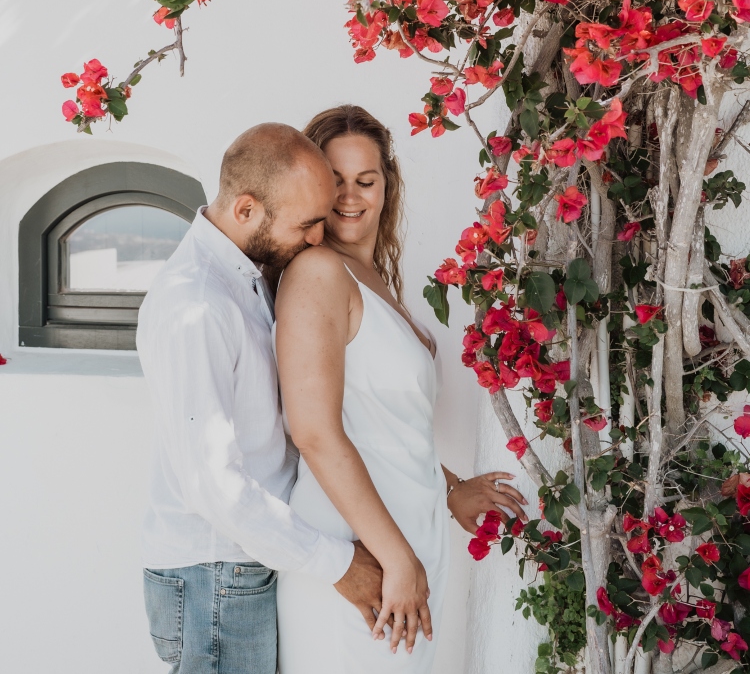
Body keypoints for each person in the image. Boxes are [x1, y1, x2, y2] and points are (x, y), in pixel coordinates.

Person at [274, 105, 527, 674]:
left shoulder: (373, 279)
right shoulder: (317, 271)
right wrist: (395, 559)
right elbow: (314, 433)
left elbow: (384, 427)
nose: (348, 197)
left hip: (408, 550)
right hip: (366, 556)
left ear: (387, 186)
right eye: (334, 180)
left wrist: (449, 488)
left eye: (365, 181)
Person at [136, 123, 387, 674]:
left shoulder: (243, 277)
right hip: (214, 579)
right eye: (306, 224)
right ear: (246, 210)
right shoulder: (196, 306)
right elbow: (214, 486)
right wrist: (340, 564)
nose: (318, 238)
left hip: (240, 568)